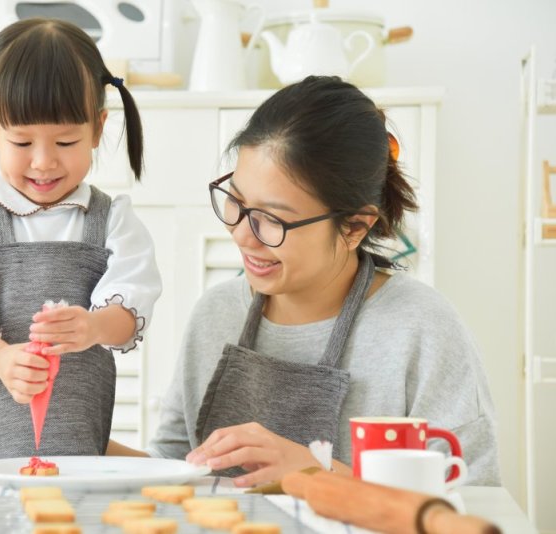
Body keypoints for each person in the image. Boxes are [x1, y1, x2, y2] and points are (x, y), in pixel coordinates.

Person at [127, 76, 500, 488]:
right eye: (236, 202)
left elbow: (471, 501)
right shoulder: (216, 314)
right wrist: (69, 441)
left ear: (355, 227)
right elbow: (174, 465)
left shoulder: (421, 329)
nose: (242, 235)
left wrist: (316, 473)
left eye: (272, 219)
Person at [0, 18, 162, 462]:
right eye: (22, 141)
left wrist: (93, 327)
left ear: (98, 128)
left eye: (67, 141)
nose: (44, 161)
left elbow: (132, 309)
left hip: (79, 447)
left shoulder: (114, 221)